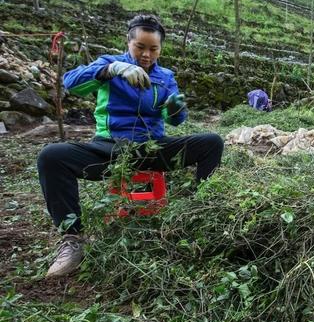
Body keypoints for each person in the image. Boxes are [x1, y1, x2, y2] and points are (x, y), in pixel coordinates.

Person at [37, 14, 224, 277]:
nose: (146, 55)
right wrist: (112, 70)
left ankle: (198, 215)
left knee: (212, 142)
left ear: (161, 49)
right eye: (140, 47)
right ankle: (73, 240)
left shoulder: (166, 76)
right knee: (51, 156)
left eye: (153, 49)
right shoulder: (109, 65)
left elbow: (177, 120)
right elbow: (71, 82)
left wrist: (177, 109)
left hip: (153, 148)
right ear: (128, 42)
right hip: (111, 149)